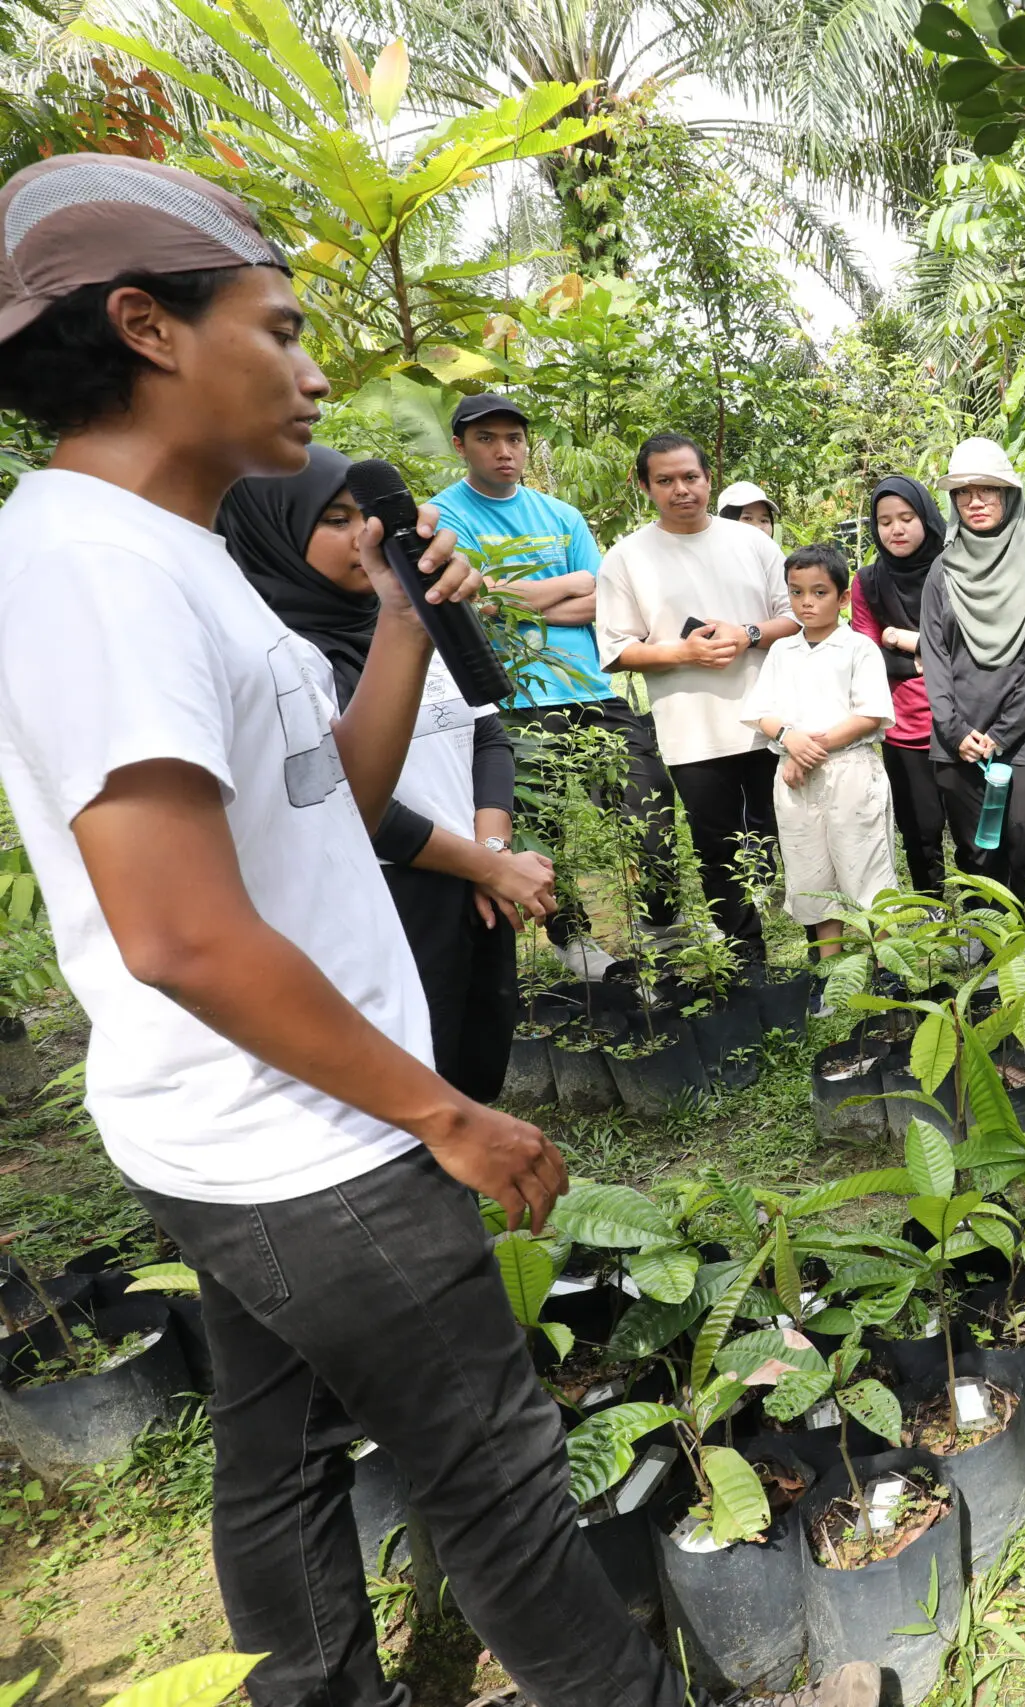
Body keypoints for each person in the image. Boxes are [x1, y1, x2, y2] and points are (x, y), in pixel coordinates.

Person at [0, 153, 696, 1706]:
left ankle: (313, 1686)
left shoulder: (171, 545)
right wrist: (440, 1109)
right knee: (501, 1471)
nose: (317, 375)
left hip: (247, 1128)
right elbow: (179, 930)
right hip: (305, 1138)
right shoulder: (97, 571)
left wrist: (403, 618)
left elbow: (330, 793)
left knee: (284, 1445)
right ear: (146, 326)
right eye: (281, 326)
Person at [224, 445, 557, 1100]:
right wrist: (487, 867)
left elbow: (486, 735)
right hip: (387, 894)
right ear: (276, 531)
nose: (364, 538)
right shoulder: (280, 658)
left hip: (471, 880)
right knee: (410, 1084)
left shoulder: (407, 620)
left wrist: (490, 850)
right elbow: (340, 797)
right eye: (334, 520)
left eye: (365, 517)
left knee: (473, 1063)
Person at [432, 391, 680, 978]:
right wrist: (561, 584)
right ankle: (575, 943)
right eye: (487, 439)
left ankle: (663, 926)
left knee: (649, 803)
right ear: (460, 445)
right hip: (512, 696)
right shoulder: (444, 516)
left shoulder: (560, 516)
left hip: (591, 688)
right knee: (545, 826)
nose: (503, 451)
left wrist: (517, 598)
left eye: (513, 439)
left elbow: (601, 599)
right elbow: (475, 602)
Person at [597, 431, 798, 960]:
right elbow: (617, 651)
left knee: (791, 829)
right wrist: (684, 652)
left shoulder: (751, 542)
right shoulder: (626, 558)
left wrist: (748, 634)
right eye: (665, 480)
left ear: (709, 479)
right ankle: (744, 955)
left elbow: (795, 615)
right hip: (692, 729)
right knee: (716, 846)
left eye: (690, 477)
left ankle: (821, 944)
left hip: (769, 717)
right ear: (645, 486)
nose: (681, 489)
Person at [921, 436, 1025, 894]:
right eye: (963, 492)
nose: (975, 501)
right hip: (958, 737)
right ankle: (986, 946)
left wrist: (1003, 732)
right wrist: (952, 729)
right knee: (975, 849)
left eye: (987, 488)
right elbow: (935, 654)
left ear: (1009, 494)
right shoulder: (942, 570)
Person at [741, 542, 896, 967]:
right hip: (795, 778)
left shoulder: (858, 648)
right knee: (811, 870)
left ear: (843, 597)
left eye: (819, 592)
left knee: (865, 866)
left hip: (849, 772)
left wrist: (808, 750)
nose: (806, 603)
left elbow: (869, 715)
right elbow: (760, 712)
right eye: (796, 592)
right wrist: (790, 738)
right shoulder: (782, 650)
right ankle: (830, 968)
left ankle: (887, 966)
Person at [847, 475, 949, 892]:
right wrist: (926, 654)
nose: (896, 529)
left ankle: (987, 914)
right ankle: (932, 904)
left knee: (975, 828)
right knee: (920, 830)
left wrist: (902, 638)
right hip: (905, 727)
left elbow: (972, 645)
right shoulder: (868, 583)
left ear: (925, 516)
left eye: (907, 517)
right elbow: (866, 657)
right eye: (885, 520)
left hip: (965, 720)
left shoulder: (956, 569)